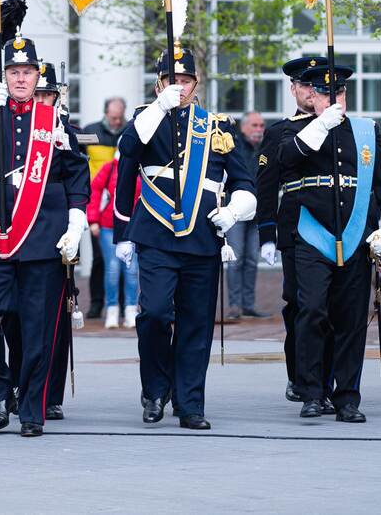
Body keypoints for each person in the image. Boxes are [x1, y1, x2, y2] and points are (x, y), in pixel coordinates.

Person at [0, 32, 89, 437]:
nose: (21, 78)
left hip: (41, 235)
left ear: (36, 75)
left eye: (27, 71)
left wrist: (76, 220)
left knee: (37, 328)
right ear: (4, 76)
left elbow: (76, 172)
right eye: (13, 71)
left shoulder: (53, 121)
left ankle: (31, 409)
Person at [113, 46, 255, 430]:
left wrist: (234, 210)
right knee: (155, 314)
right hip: (156, 233)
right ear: (159, 83)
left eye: (186, 80)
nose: (180, 86)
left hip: (202, 236)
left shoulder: (216, 126)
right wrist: (122, 232)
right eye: (172, 80)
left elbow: (243, 181)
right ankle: (155, 390)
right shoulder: (147, 118)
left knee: (196, 322)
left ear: (196, 83)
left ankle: (190, 402)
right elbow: (127, 154)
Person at [277, 63, 381, 422]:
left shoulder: (365, 130)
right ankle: (312, 391)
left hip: (356, 232)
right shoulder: (294, 130)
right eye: (326, 93)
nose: (335, 99)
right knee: (312, 311)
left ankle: (348, 396)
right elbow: (285, 161)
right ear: (311, 96)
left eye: (340, 93)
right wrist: (320, 125)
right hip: (311, 233)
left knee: (350, 319)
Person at [256, 54, 333, 405]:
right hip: (294, 228)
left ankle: (325, 378)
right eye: (303, 84)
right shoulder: (279, 132)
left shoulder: (336, 125)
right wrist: (266, 233)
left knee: (330, 308)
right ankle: (300, 375)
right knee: (301, 306)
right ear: (293, 89)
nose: (308, 91)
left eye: (314, 85)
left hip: (334, 227)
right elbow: (266, 184)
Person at [32, 60, 89, 421]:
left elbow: (77, 182)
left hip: (56, 232)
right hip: (15, 233)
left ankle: (50, 393)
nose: (41, 99)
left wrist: (76, 223)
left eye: (47, 93)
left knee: (56, 313)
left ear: (57, 96)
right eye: (36, 93)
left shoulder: (66, 131)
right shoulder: (8, 126)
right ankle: (16, 385)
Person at [83, 96, 128, 319]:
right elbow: (76, 156)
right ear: (105, 113)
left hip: (122, 202)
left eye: (120, 117)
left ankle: (121, 303)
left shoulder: (130, 131)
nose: (117, 122)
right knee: (100, 259)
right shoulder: (90, 132)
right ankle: (96, 303)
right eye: (113, 117)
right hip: (97, 202)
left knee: (125, 259)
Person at [88, 153, 139, 328]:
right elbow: (94, 192)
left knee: (132, 269)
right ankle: (112, 309)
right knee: (112, 268)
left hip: (133, 227)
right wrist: (93, 220)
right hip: (108, 226)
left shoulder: (141, 166)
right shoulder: (109, 168)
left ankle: (131, 309)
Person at [226, 111, 269, 319]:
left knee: (252, 259)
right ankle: (235, 306)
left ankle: (248, 304)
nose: (259, 130)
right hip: (236, 211)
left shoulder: (265, 147)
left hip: (258, 211)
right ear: (243, 127)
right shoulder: (234, 146)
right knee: (236, 259)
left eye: (261, 126)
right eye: (254, 125)